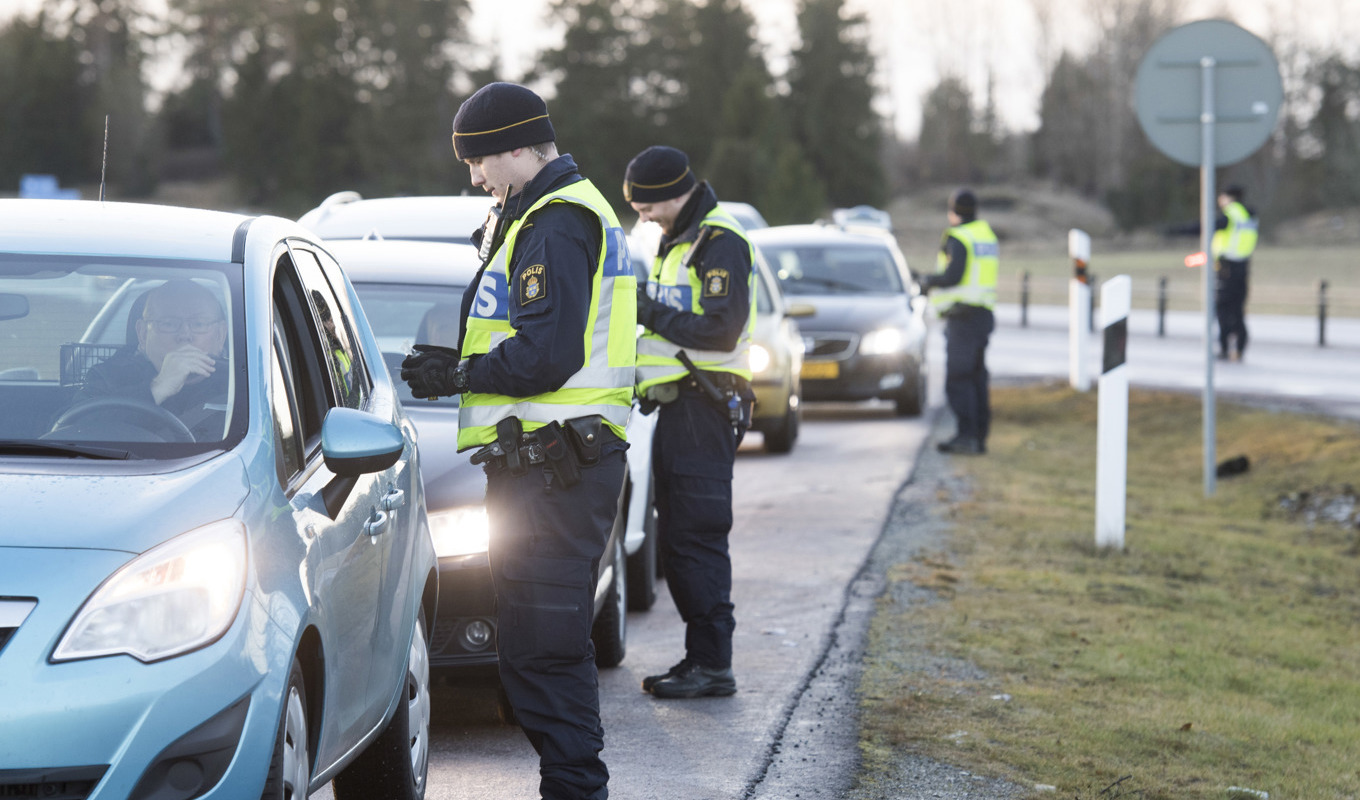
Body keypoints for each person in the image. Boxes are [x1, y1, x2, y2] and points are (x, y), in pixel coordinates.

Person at [399, 82, 635, 800]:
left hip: (556, 470)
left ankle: (576, 790)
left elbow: (547, 354)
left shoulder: (556, 223)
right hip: (550, 467)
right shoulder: (544, 214)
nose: (475, 178)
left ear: (515, 149)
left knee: (545, 654)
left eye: (478, 161)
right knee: (534, 652)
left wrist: (459, 374)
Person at [625, 145, 756, 699]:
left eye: (646, 207)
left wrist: (646, 309)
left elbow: (721, 331)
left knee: (696, 537)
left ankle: (713, 664)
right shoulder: (680, 238)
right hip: (683, 407)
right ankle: (701, 658)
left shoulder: (718, 242)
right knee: (678, 540)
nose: (642, 217)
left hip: (705, 406)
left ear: (670, 195)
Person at [73, 278, 229, 440]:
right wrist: (157, 387)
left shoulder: (239, 385)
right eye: (168, 324)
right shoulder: (108, 378)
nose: (185, 335)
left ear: (220, 335)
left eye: (199, 324)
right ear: (143, 334)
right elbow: (74, 433)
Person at [920, 188, 998, 455]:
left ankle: (966, 437)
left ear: (953, 211)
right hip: (983, 314)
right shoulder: (986, 235)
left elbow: (953, 276)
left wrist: (928, 280)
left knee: (959, 378)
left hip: (963, 316)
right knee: (977, 378)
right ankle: (978, 436)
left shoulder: (959, 237)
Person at [1212, 185, 1257, 361]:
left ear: (1228, 197)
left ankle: (1225, 347)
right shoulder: (1249, 215)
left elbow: (1206, 227)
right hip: (1243, 267)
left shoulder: (1231, 215)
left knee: (1223, 309)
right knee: (1237, 311)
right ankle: (1239, 348)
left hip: (1226, 268)